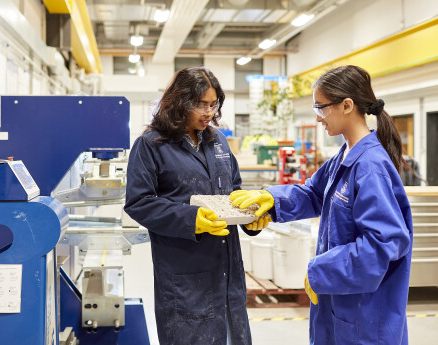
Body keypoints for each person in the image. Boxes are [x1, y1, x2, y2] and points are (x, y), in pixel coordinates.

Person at [231, 65, 413, 345]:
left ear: (347, 105)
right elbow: (314, 194)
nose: (317, 118)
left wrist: (321, 271)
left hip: (364, 319)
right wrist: (270, 202)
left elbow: (381, 245)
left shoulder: (370, 167)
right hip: (339, 309)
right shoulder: (345, 155)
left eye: (321, 108)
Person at [124, 66, 271, 345]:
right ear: (179, 103)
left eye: (213, 104)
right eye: (200, 104)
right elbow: (139, 202)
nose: (208, 112)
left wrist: (250, 216)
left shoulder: (218, 141)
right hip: (185, 271)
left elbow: (234, 191)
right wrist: (192, 219)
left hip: (228, 267)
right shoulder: (151, 145)